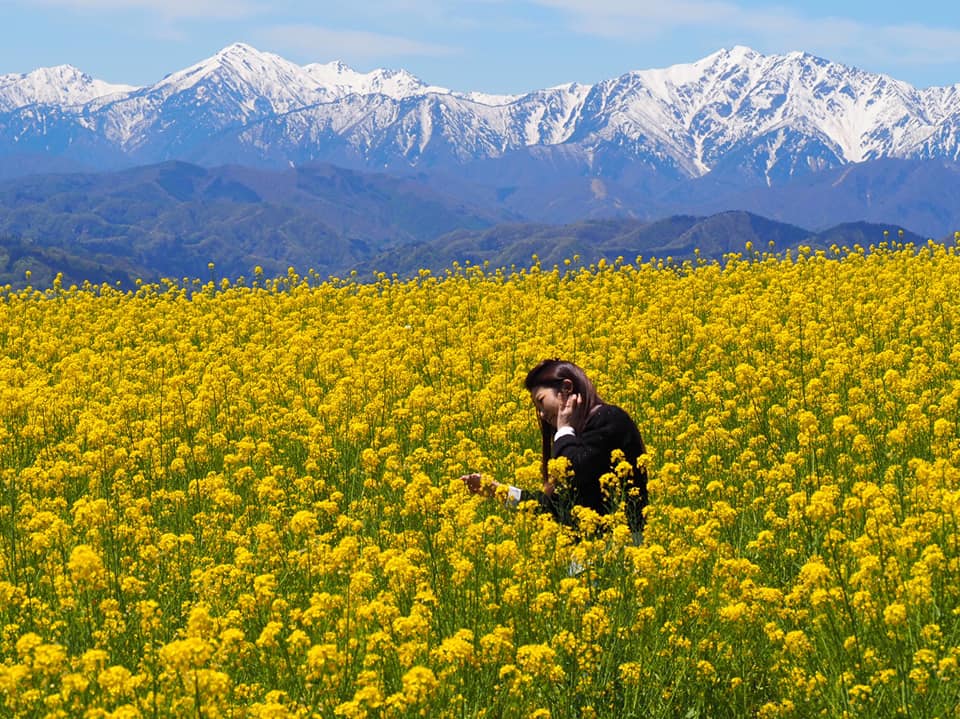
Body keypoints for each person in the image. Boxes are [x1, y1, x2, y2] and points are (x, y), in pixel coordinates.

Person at [463, 359, 648, 536]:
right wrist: (499, 491)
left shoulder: (608, 420)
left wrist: (564, 429)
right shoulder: (577, 438)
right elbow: (558, 506)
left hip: (620, 554)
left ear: (567, 387)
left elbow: (576, 473)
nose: (542, 415)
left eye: (541, 401)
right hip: (589, 558)